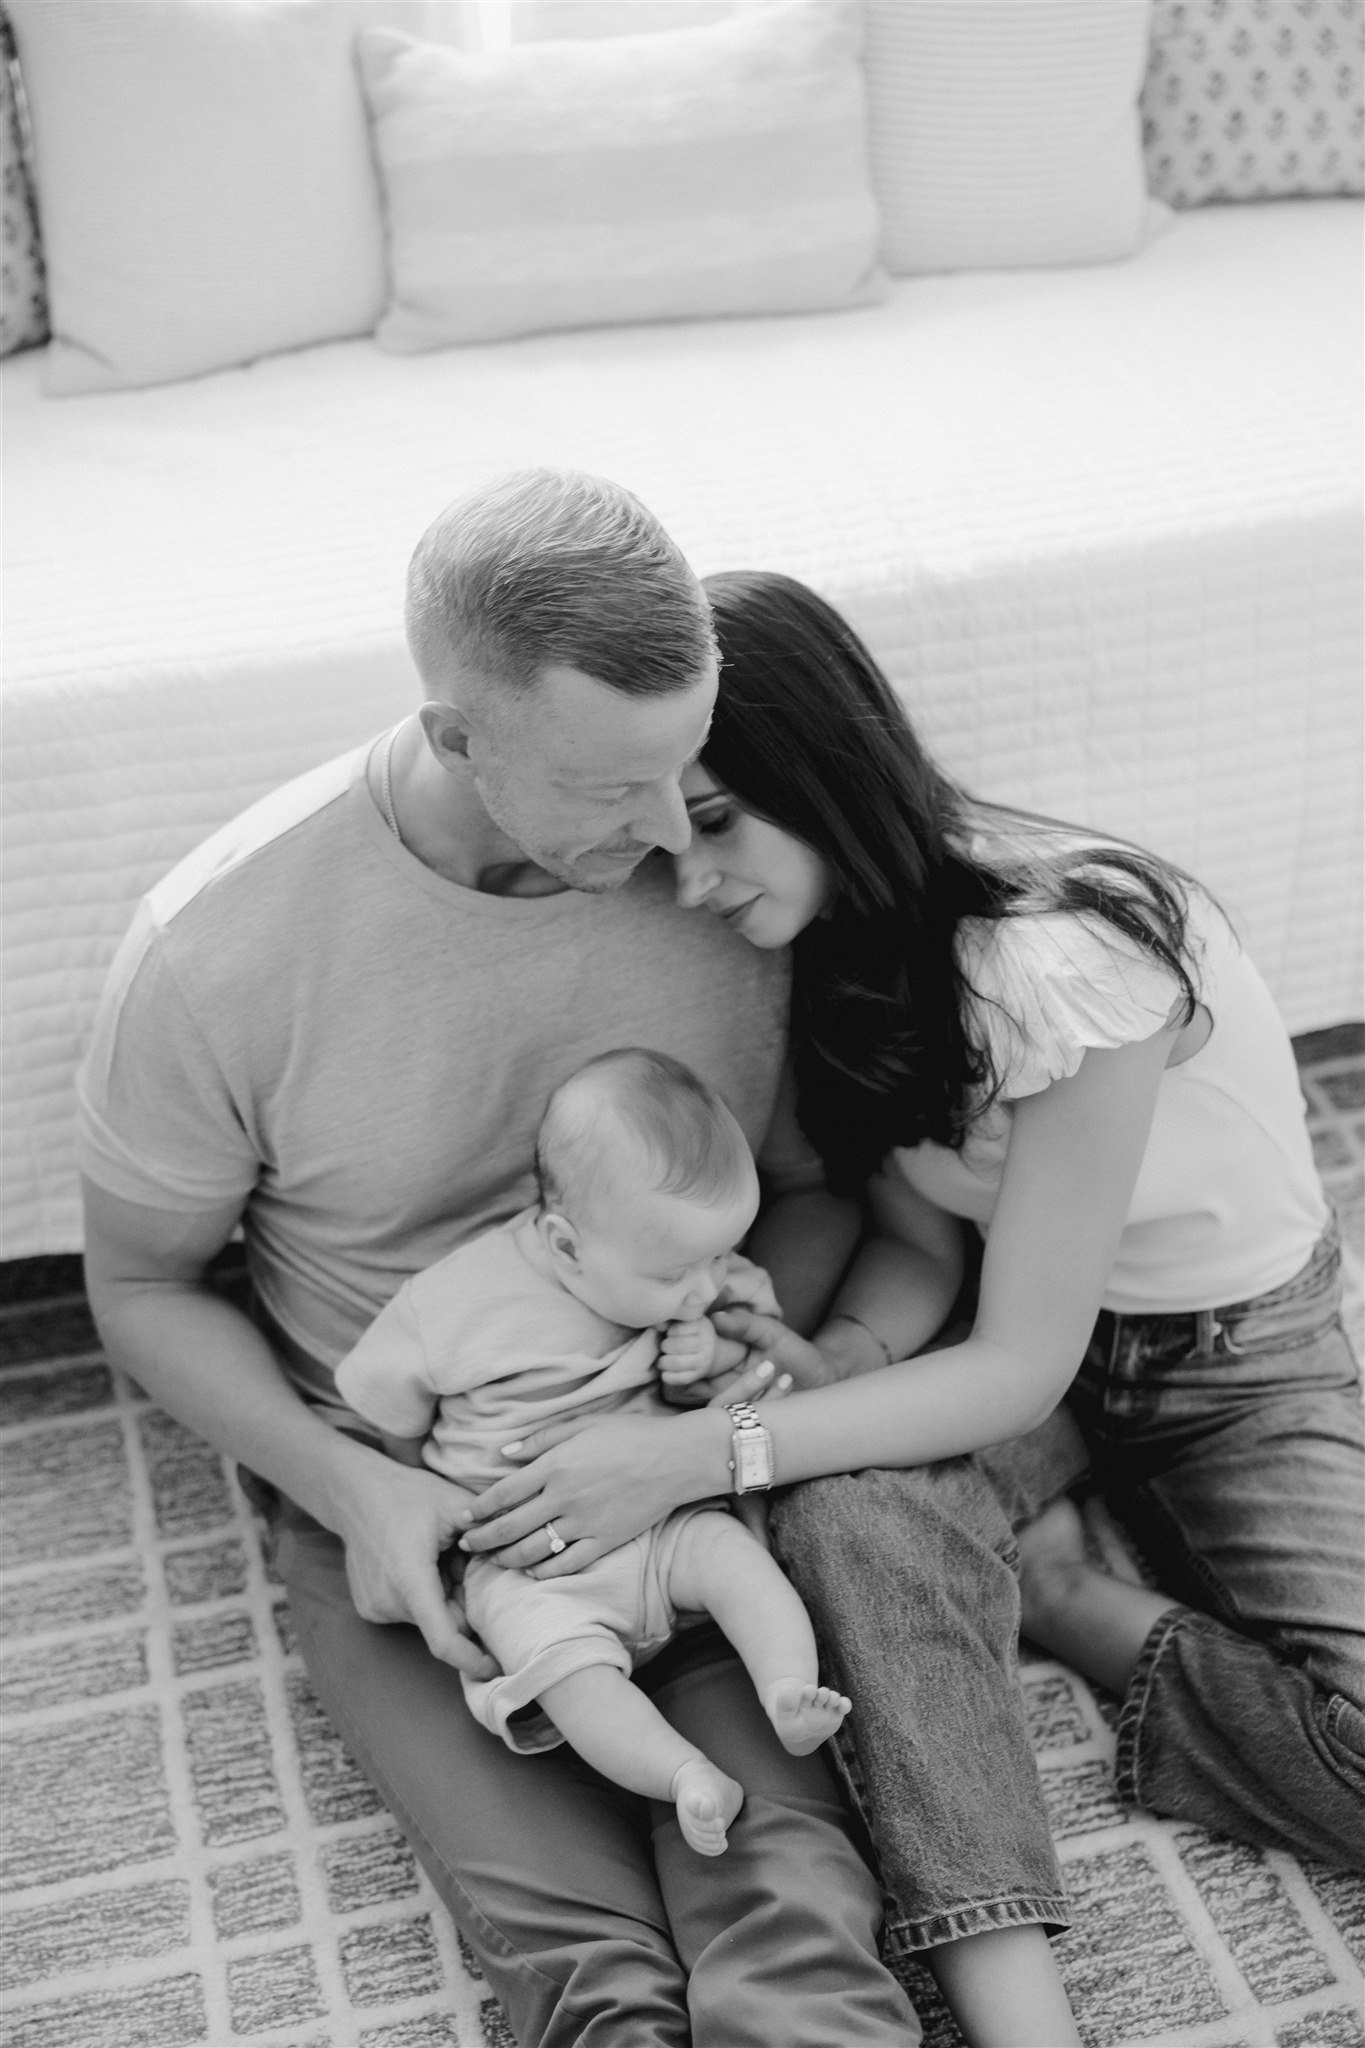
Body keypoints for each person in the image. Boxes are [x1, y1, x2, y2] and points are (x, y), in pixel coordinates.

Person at [456, 569, 1364, 2047]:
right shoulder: (827, 943)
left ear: (821, 767)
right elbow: (922, 1238)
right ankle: (1024, 2023)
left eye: (713, 824)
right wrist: (839, 1367)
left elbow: (1010, 1365)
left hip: (1231, 1358)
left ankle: (1063, 1593)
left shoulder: (1065, 955)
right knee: (845, 1518)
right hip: (1028, 1350)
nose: (689, 883)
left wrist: (708, 1449)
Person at [76, 486, 923, 2048]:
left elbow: (804, 1189)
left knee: (793, 1897)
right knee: (586, 1968)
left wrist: (712, 1353)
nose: (677, 832)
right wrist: (361, 1496)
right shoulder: (219, 953)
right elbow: (137, 1290)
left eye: (691, 762)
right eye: (617, 786)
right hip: (412, 1494)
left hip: (675, 1452)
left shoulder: (714, 867)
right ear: (455, 736)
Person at [336, 1046, 852, 1859]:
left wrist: (709, 1357)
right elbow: (384, 1413)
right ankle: (682, 1775)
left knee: (737, 1563)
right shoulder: (452, 1305)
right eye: (680, 1272)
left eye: (720, 1255)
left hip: (663, 1519)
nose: (707, 1286)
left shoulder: (694, 1282)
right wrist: (415, 1489)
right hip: (530, 1564)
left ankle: (787, 1688)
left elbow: (745, 1370)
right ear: (567, 1246)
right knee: (567, 1677)